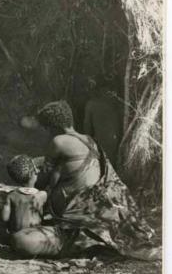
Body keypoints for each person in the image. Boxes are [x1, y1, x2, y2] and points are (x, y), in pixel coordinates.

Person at [10, 101, 160, 260]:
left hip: (78, 227)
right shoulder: (89, 141)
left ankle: (90, 245)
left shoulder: (58, 141)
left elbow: (43, 179)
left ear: (51, 127)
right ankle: (98, 245)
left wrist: (27, 174)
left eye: (46, 129)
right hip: (100, 221)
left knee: (20, 240)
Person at [2, 155, 47, 233]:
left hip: (14, 235)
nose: (38, 171)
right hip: (33, 236)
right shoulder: (42, 195)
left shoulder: (11, 196)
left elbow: (4, 218)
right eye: (36, 169)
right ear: (31, 174)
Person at [83, 79, 122, 167]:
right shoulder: (115, 103)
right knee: (111, 164)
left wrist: (89, 144)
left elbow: (87, 127)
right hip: (113, 139)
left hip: (102, 140)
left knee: (103, 165)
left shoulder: (91, 104)